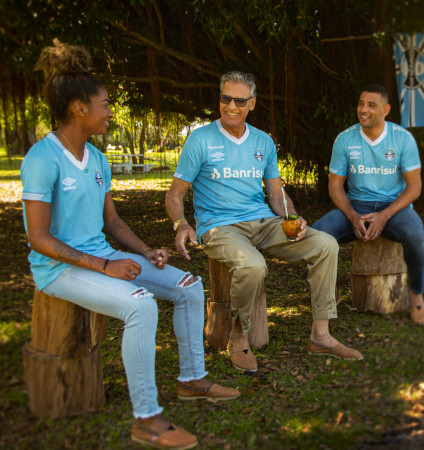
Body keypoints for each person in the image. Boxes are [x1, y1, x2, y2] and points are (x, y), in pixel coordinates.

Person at [21, 41, 239, 450]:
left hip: (101, 257)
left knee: (189, 287)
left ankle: (192, 379)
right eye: (104, 104)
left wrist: (143, 251)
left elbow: (113, 222)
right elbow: (39, 238)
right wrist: (105, 268)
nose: (110, 111)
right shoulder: (42, 158)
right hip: (59, 269)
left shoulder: (98, 159)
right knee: (140, 304)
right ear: (78, 109)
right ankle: (146, 418)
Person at [165, 71, 362, 372]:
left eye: (239, 101)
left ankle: (321, 335)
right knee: (253, 265)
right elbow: (176, 193)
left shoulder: (263, 142)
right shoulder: (200, 139)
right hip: (220, 227)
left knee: (325, 244)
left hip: (264, 223)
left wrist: (292, 217)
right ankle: (238, 336)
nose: (231, 106)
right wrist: (181, 224)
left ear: (252, 103)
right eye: (225, 99)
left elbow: (275, 192)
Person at [311, 84, 424, 325]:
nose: (363, 110)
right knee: (316, 236)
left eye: (371, 105)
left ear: (385, 110)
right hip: (357, 205)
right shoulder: (345, 139)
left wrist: (385, 215)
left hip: (395, 208)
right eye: (360, 104)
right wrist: (353, 216)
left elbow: (414, 188)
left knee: (416, 236)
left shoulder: (402, 139)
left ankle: (416, 294)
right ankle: (328, 293)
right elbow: (335, 187)